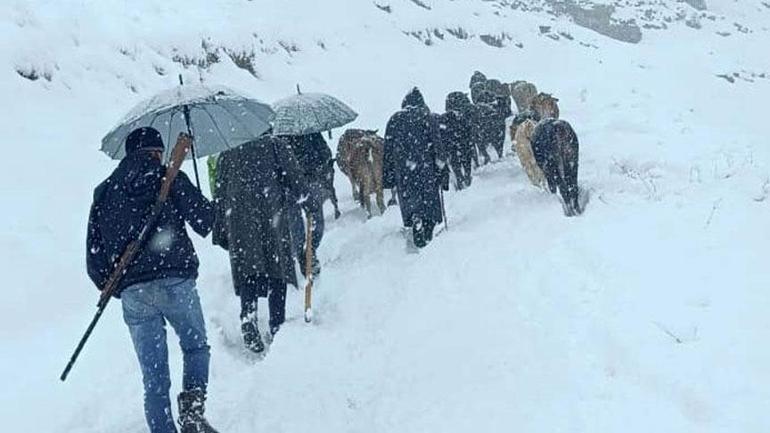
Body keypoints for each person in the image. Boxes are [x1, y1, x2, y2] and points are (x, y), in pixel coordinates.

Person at [86, 127, 218, 433]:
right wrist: (198, 196)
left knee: (154, 376)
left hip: (133, 291)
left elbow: (95, 260)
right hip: (175, 279)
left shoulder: (104, 192)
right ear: (157, 152)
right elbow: (205, 221)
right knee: (195, 347)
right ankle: (192, 412)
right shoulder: (168, 176)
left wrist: (122, 286)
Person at [212, 133, 315, 353]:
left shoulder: (228, 152)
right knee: (277, 270)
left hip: (239, 220)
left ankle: (248, 317)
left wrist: (220, 227)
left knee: (249, 270)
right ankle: (277, 325)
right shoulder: (275, 145)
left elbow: (219, 191)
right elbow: (294, 178)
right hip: (271, 215)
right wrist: (308, 202)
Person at [383, 87, 447, 249]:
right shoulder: (427, 117)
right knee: (429, 203)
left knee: (410, 201)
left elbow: (387, 151)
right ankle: (428, 232)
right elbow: (438, 147)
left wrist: (388, 177)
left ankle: (415, 219)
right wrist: (442, 170)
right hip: (426, 170)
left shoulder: (394, 120)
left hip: (403, 172)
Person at [283, 132, 335, 276]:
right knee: (309, 219)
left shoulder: (309, 133)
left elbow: (324, 152)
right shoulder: (281, 138)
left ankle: (306, 252)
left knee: (299, 221)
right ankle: (306, 253)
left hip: (302, 181)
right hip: (299, 183)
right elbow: (325, 153)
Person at [440, 92, 475, 190]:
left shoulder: (444, 118)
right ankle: (466, 177)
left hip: (452, 144)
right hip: (463, 142)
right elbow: (469, 131)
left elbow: (443, 133)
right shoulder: (465, 117)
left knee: (455, 160)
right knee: (466, 159)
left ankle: (460, 178)